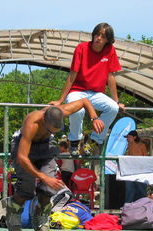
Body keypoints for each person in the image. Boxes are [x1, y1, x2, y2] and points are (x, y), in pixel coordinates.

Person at [6, 99, 104, 231]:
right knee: (26, 187)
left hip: (46, 145)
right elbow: (22, 158)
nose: (51, 132)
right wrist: (42, 177)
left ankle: (41, 214)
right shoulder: (32, 122)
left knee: (51, 185)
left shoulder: (61, 111)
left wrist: (94, 118)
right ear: (44, 120)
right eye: (49, 130)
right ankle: (13, 210)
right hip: (24, 147)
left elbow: (84, 101)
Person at [50, 23, 124, 155]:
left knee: (113, 108)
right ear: (93, 35)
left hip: (96, 93)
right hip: (77, 91)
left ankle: (95, 140)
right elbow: (72, 75)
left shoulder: (110, 50)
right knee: (78, 111)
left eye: (103, 36)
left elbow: (110, 77)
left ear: (108, 39)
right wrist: (60, 100)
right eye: (97, 34)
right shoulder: (81, 48)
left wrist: (117, 101)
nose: (99, 38)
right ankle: (74, 140)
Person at [124, 130, 149, 203]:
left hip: (140, 170)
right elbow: (129, 156)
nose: (127, 139)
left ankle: (142, 204)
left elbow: (145, 157)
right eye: (127, 137)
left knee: (141, 188)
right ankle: (128, 204)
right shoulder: (129, 145)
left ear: (134, 137)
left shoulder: (142, 145)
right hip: (130, 170)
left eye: (129, 137)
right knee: (129, 188)